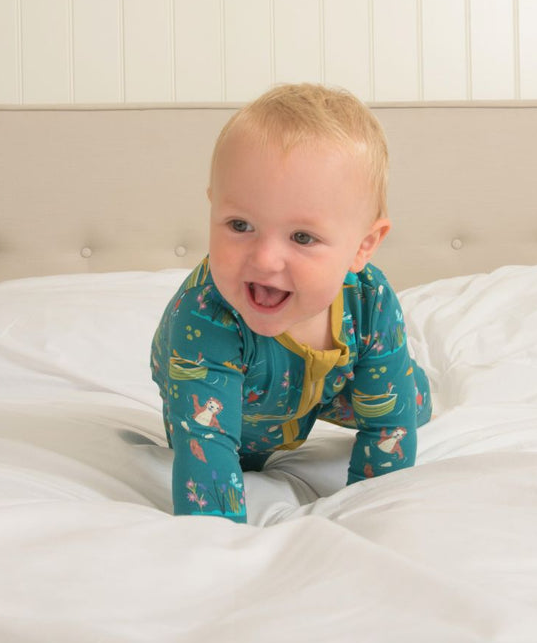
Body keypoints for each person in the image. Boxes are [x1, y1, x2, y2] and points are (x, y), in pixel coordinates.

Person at [150, 83, 431, 523]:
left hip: (331, 386)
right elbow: (207, 483)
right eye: (239, 224)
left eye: (302, 237)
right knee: (229, 448)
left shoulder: (371, 302)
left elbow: (386, 435)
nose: (264, 259)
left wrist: (364, 520)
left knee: (406, 405)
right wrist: (222, 547)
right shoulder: (205, 314)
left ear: (364, 245)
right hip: (237, 401)